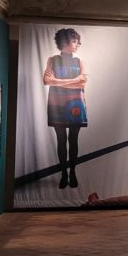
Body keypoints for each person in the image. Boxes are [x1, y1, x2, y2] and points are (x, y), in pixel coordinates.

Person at [43, 28, 87, 188]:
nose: (77, 44)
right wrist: (73, 80)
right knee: (61, 140)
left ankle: (73, 172)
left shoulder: (80, 61)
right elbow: (46, 80)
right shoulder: (52, 60)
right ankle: (64, 174)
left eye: (77, 42)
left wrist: (57, 81)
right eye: (74, 41)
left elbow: (82, 83)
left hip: (76, 105)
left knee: (73, 140)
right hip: (57, 105)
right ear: (65, 42)